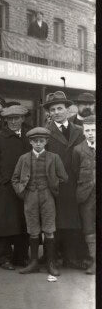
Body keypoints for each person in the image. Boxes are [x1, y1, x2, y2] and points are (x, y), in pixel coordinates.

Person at [0, 104, 31, 270]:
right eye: (10, 119)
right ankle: (4, 258)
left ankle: (21, 257)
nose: (14, 121)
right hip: (5, 188)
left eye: (17, 118)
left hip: (26, 187)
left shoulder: (29, 137)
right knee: (5, 224)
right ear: (5, 120)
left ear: (23, 118)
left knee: (23, 222)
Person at [12, 127, 68, 277]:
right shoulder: (23, 158)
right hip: (30, 196)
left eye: (41, 141)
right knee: (33, 229)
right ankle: (34, 262)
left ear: (46, 142)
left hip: (47, 196)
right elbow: (15, 178)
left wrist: (53, 186)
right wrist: (21, 191)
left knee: (49, 228)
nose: (38, 144)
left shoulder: (54, 157)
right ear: (30, 142)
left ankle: (50, 263)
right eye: (35, 141)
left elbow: (64, 178)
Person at [43, 90, 86, 269]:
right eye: (52, 110)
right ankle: (52, 258)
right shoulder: (45, 132)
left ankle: (72, 257)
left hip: (75, 182)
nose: (56, 112)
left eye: (60, 108)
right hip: (55, 184)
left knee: (74, 221)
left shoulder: (80, 131)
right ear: (49, 113)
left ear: (68, 110)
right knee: (54, 221)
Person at [72, 117, 95, 274]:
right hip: (86, 195)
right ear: (83, 132)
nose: (91, 134)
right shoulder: (78, 150)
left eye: (94, 130)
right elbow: (75, 171)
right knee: (88, 229)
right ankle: (94, 260)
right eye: (87, 130)